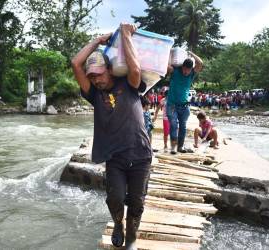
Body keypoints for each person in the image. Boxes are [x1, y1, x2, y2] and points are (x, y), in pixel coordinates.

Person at [71, 23, 152, 250]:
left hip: (141, 155)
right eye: (92, 77)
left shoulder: (130, 84)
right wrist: (98, 40)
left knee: (136, 203)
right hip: (114, 158)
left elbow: (135, 69)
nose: (96, 80)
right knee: (115, 198)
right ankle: (118, 224)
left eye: (98, 74)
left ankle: (132, 237)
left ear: (110, 69)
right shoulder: (94, 94)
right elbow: (76, 63)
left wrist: (125, 34)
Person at [167, 52, 203, 154]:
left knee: (183, 126)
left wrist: (191, 54)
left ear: (191, 69)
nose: (186, 71)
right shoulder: (175, 71)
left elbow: (200, 63)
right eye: (184, 69)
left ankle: (180, 147)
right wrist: (170, 53)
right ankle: (173, 147)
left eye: (188, 69)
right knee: (174, 125)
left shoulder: (192, 74)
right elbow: (167, 67)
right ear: (182, 66)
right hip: (172, 105)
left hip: (184, 106)